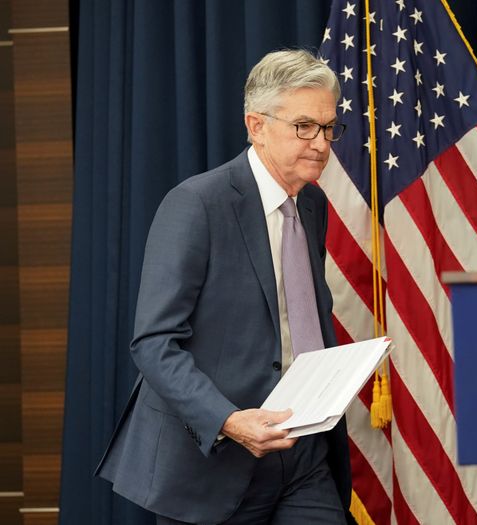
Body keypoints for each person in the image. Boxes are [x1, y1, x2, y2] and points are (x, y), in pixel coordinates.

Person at [96, 49, 353, 524]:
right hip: (212, 460)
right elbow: (154, 342)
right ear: (256, 126)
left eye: (328, 127)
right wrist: (231, 422)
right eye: (304, 127)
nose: (320, 143)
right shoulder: (197, 203)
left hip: (301, 453)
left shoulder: (313, 204)